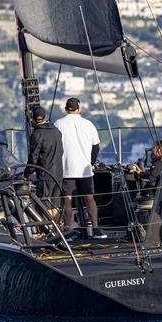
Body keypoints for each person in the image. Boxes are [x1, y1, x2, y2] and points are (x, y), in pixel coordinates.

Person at [54, 97, 106, 239]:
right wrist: (92, 162)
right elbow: (96, 147)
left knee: (68, 200)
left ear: (66, 109)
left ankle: (68, 229)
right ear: (79, 109)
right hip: (85, 168)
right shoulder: (88, 124)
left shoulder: (58, 124)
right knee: (89, 199)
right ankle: (95, 228)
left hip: (66, 169)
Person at [24, 106, 64, 218]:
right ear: (45, 117)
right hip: (59, 174)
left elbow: (33, 157)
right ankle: (56, 231)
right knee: (55, 205)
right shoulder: (57, 131)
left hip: (45, 174)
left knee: (43, 204)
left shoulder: (37, 134)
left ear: (33, 119)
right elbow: (62, 150)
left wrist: (27, 174)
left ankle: (47, 232)